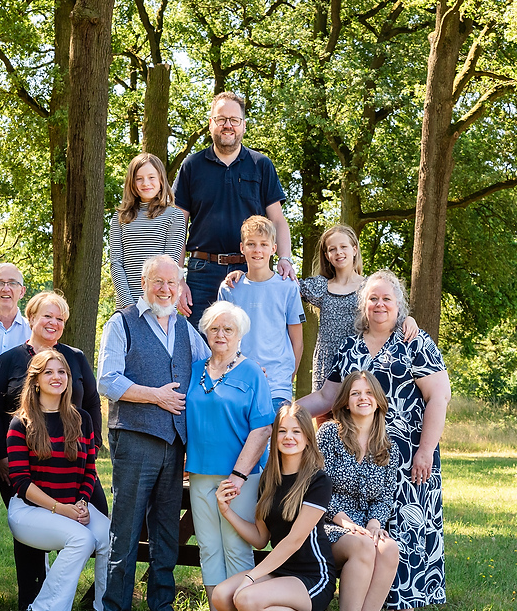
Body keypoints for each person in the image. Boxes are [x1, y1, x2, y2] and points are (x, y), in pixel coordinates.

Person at [298, 270, 451, 611]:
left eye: (387, 299)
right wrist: (287, 411)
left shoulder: (415, 342)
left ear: (399, 305)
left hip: (411, 454)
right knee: (372, 529)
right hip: (362, 454)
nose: (380, 305)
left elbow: (439, 397)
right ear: (363, 305)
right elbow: (327, 399)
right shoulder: (350, 347)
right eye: (373, 299)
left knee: (409, 529)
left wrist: (425, 451)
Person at [97, 254, 210, 611]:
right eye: (157, 282)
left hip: (175, 443)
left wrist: (248, 371)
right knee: (126, 527)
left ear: (180, 287)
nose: (165, 289)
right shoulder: (121, 323)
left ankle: (162, 608)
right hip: (134, 437)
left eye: (172, 283)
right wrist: (154, 397)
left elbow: (213, 365)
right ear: (143, 283)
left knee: (165, 530)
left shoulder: (187, 329)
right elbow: (107, 380)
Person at [0, 290, 109, 611]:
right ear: (31, 318)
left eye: (60, 319)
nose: (53, 323)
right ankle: (33, 600)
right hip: (24, 461)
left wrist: (89, 447)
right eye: (47, 316)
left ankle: (98, 602)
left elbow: (92, 401)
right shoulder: (11, 360)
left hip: (74, 459)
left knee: (100, 527)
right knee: (34, 534)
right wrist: (1, 457)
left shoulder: (75, 358)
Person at [225, 224, 418, 391]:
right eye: (332, 249)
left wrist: (409, 319)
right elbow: (276, 286)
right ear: (326, 255)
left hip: (360, 360)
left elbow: (389, 313)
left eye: (343, 247)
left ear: (355, 249)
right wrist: (242, 276)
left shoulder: (369, 288)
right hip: (326, 364)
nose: (338, 252)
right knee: (326, 423)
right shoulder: (319, 287)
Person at [210, 403, 336, 611]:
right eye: (283, 431)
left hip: (312, 576)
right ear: (274, 436)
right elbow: (261, 539)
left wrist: (252, 577)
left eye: (297, 431)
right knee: (222, 597)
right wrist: (227, 512)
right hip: (280, 571)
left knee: (245, 598)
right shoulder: (269, 479)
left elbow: (293, 541)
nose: (289, 437)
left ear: (308, 439)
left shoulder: (317, 480)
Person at [185, 301, 274, 611]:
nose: (221, 335)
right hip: (200, 473)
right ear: (205, 332)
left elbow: (262, 428)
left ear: (240, 335)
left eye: (229, 329)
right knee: (208, 546)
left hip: (239, 476)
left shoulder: (251, 372)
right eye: (214, 329)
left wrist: (238, 474)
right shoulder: (195, 370)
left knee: (236, 546)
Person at [5, 350, 110, 611]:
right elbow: (21, 483)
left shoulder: (82, 419)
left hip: (72, 507)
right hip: (30, 512)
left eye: (61, 372)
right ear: (36, 380)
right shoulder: (20, 423)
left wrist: (82, 502)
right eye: (48, 372)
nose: (56, 377)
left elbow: (90, 470)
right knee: (82, 538)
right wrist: (61, 509)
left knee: (110, 537)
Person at [173, 91, 294, 327]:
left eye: (234, 120)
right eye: (221, 119)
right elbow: (178, 225)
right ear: (211, 124)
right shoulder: (191, 166)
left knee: (250, 343)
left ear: (243, 126)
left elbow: (278, 220)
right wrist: (178, 278)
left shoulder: (261, 165)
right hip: (202, 271)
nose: (227, 125)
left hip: (252, 270)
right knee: (201, 346)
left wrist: (285, 259)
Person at [319, 372, 401, 611]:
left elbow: (385, 495)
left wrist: (374, 524)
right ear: (346, 402)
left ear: (378, 401)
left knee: (390, 549)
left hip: (365, 525)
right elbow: (318, 488)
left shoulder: (388, 445)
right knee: (365, 544)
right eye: (355, 393)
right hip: (328, 524)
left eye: (368, 393)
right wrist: (348, 524)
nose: (362, 398)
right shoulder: (329, 435)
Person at [216, 216, 304, 410]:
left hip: (277, 385)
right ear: (242, 248)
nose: (257, 250)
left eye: (264, 244)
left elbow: (297, 342)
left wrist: (288, 377)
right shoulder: (230, 288)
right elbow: (220, 339)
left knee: (273, 437)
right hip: (237, 381)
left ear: (273, 249)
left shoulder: (288, 287)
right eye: (251, 244)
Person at [110, 153, 187, 310]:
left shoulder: (174, 216)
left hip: (159, 304)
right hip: (127, 306)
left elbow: (169, 265)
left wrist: (152, 304)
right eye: (139, 178)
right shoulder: (120, 217)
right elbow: (116, 263)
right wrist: (128, 304)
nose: (146, 183)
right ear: (132, 182)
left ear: (160, 179)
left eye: (151, 177)